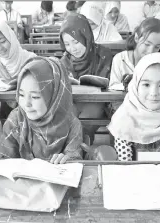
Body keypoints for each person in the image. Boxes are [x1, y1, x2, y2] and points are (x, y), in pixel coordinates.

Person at [0, 57, 83, 164]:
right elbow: (4, 160)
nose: (26, 104)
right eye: (21, 95)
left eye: (35, 97)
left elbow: (74, 159)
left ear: (54, 96)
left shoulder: (72, 124)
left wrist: (67, 159)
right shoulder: (15, 119)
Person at [108, 53, 160, 161]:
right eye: (146, 85)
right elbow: (125, 166)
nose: (153, 93)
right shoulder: (124, 120)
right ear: (136, 86)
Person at [60, 13, 113, 144]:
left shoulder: (103, 55)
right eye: (67, 44)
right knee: (67, 116)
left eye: (76, 42)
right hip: (74, 100)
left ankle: (81, 148)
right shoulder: (64, 61)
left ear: (86, 37)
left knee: (87, 117)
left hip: (98, 101)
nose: (72, 48)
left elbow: (111, 84)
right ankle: (74, 148)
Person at [108, 18, 160, 111]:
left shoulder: (158, 63)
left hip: (148, 108)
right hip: (122, 105)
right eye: (147, 44)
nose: (150, 51)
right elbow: (113, 87)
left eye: (157, 47)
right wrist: (131, 84)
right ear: (136, 38)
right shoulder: (120, 59)